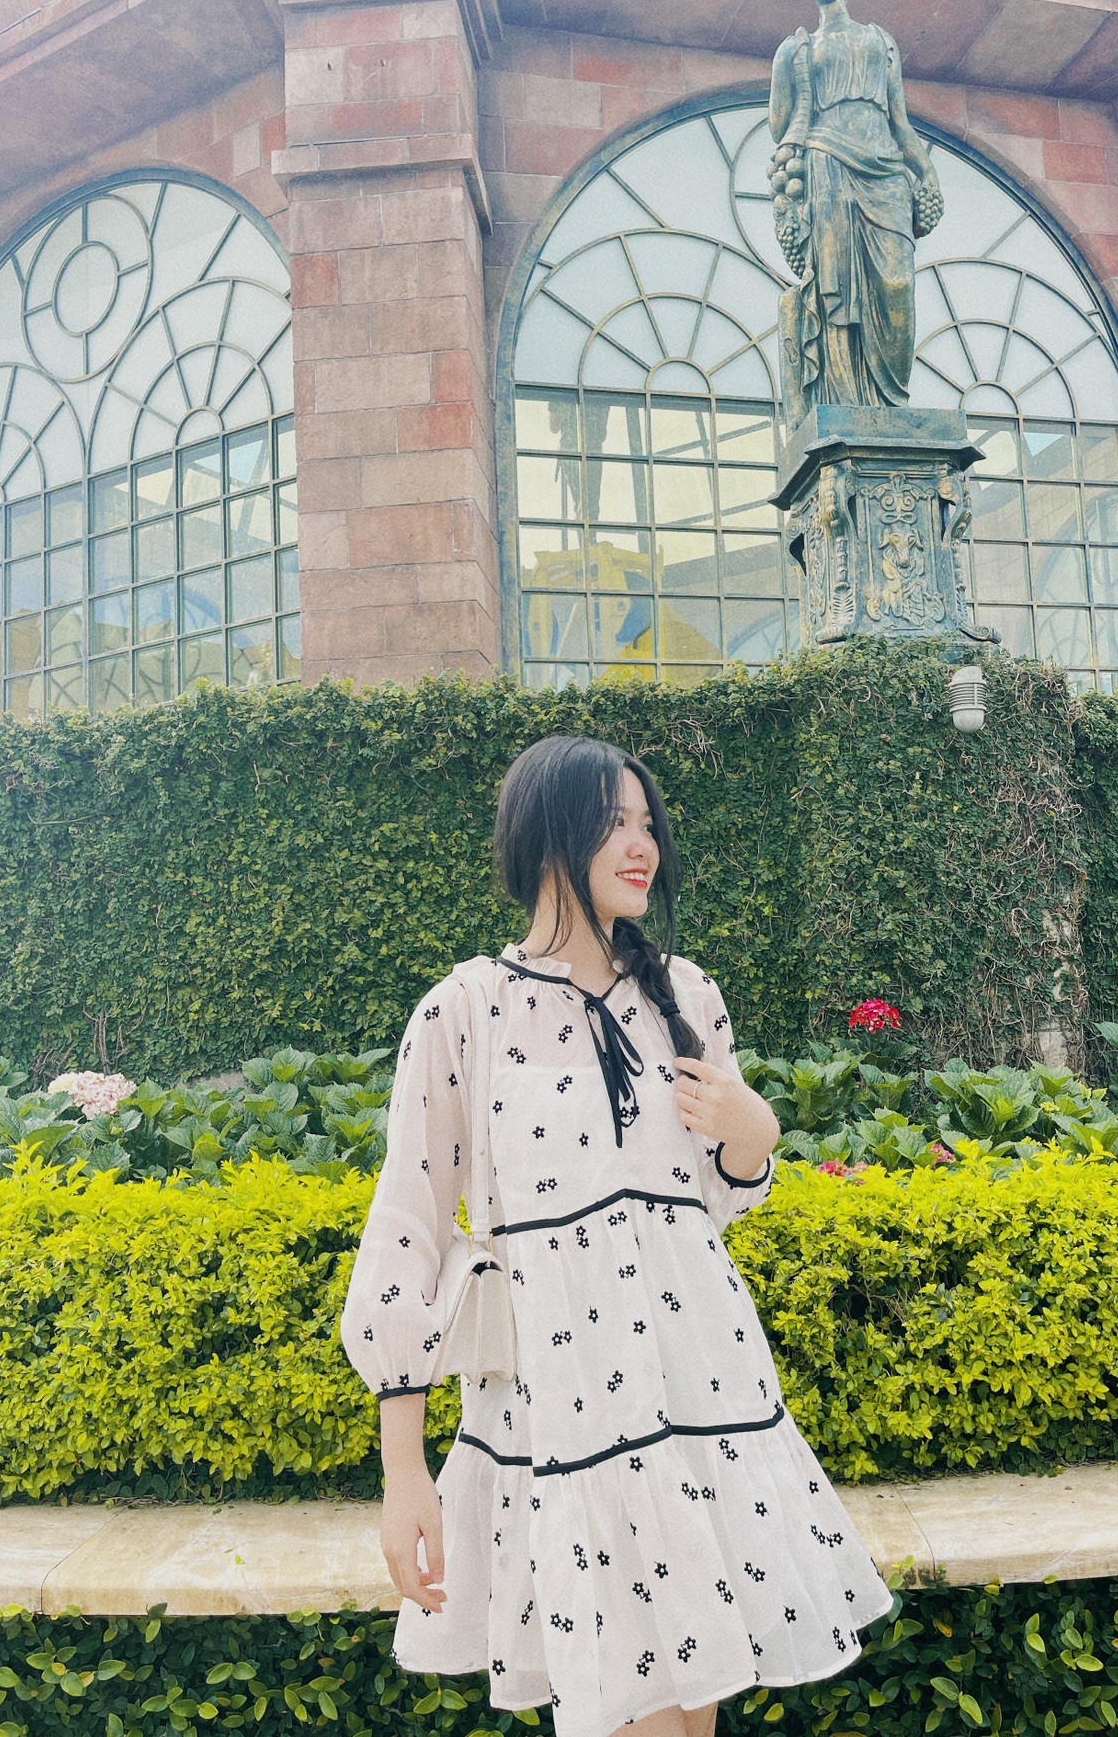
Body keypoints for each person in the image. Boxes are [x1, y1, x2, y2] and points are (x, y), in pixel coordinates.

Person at [341, 735, 895, 1737]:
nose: (643, 845)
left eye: (649, 824)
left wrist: (755, 1133)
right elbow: (406, 1233)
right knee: (630, 1714)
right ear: (548, 832)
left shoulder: (686, 996)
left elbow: (710, 1203)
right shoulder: (468, 1008)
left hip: (698, 1389)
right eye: (615, 822)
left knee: (691, 1715)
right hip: (561, 1405)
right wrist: (403, 1470)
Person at [769, 0, 944, 419]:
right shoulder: (798, 48)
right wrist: (785, 68)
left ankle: (892, 406)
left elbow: (900, 122)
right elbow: (779, 125)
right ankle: (848, 405)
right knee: (837, 290)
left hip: (886, 175)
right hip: (828, 168)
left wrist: (926, 173)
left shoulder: (879, 41)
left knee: (898, 287)